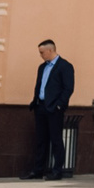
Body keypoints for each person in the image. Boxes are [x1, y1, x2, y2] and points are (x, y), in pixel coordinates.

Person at [23, 39, 74, 180]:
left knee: (56, 139)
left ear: (50, 50)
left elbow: (68, 88)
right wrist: (35, 101)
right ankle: (38, 170)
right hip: (40, 106)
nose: (41, 55)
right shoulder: (42, 67)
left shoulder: (65, 66)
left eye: (42, 52)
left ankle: (57, 171)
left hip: (54, 108)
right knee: (41, 140)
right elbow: (39, 85)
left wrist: (59, 105)